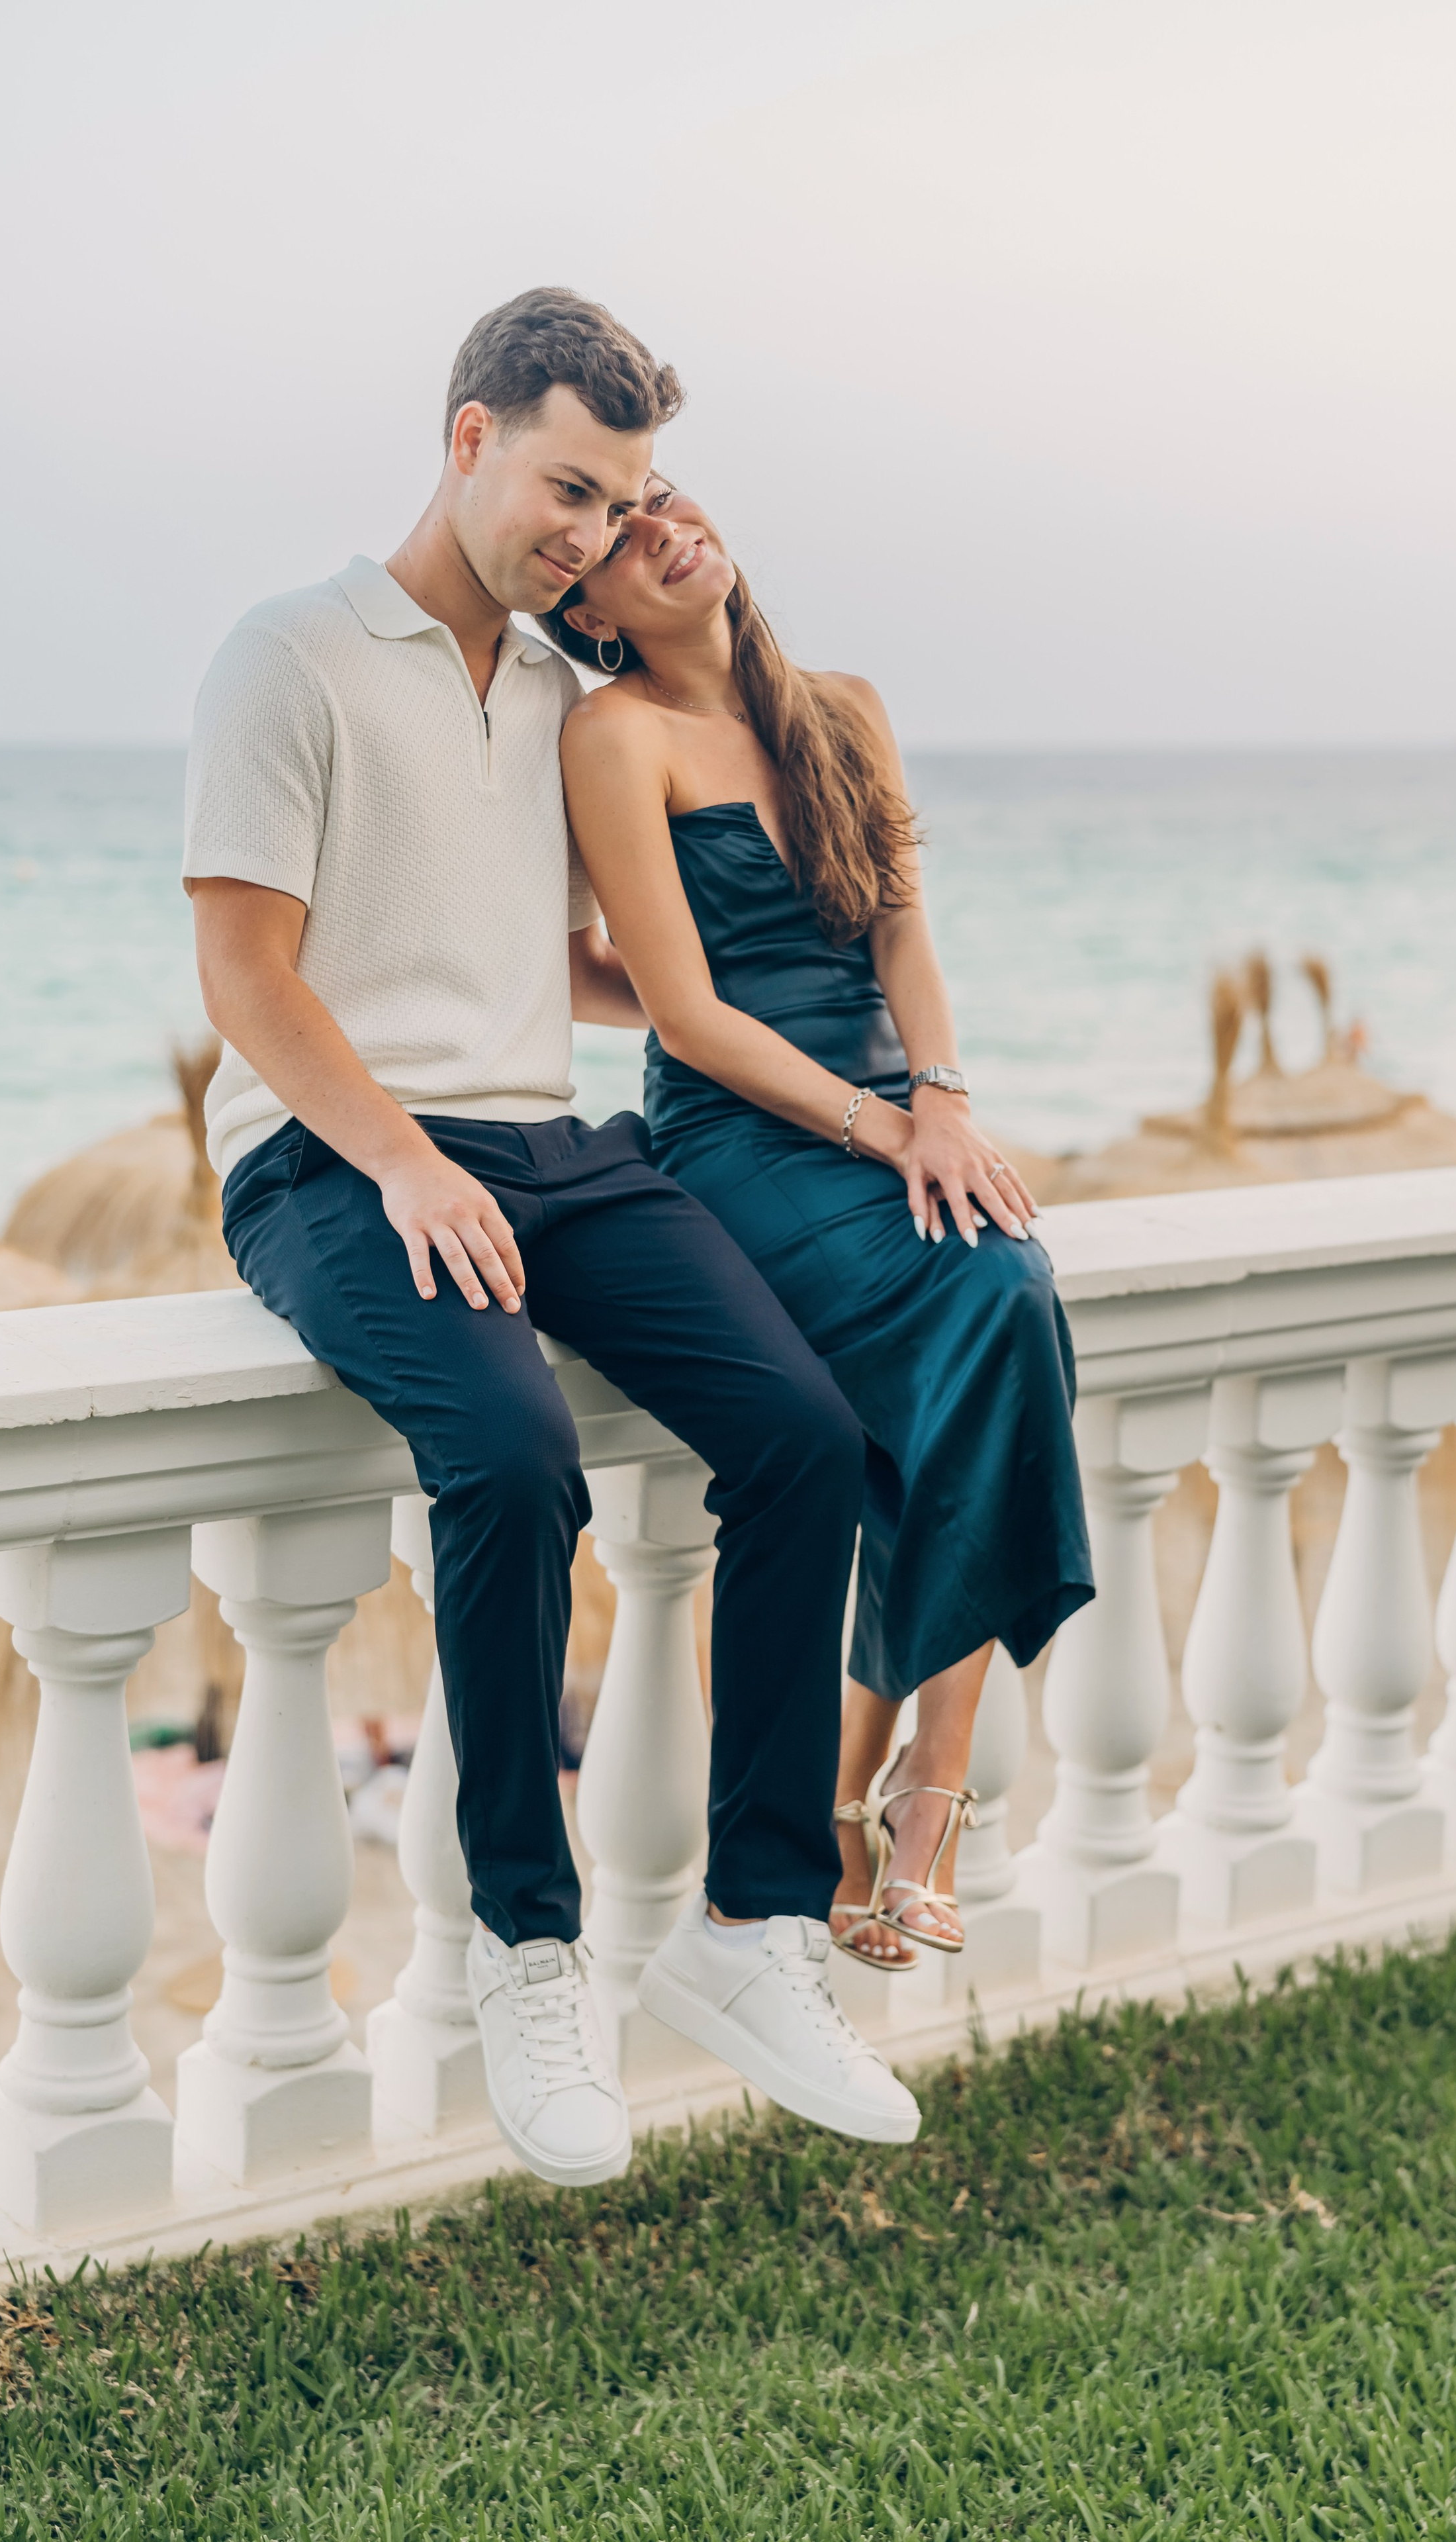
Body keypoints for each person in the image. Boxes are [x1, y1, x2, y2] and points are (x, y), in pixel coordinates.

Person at [182, 289, 921, 2185]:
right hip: (332, 1160)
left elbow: (571, 965)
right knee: (508, 1456)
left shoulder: (567, 703)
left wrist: (799, 1006)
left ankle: (753, 1935)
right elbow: (249, 977)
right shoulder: (287, 659)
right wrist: (404, 1165)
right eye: (570, 485)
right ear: (467, 436)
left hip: (548, 1147)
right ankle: (529, 1944)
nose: (589, 533)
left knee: (805, 1436)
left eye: (622, 501)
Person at [554, 480, 1094, 1972]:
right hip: (741, 1139)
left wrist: (943, 1097)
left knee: (1001, 1303)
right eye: (620, 537)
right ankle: (915, 1809)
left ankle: (887, 1803)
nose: (663, 526)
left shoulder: (843, 708)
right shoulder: (615, 736)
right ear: (591, 611)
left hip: (884, 1104)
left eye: (661, 497)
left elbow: (904, 927)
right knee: (990, 1304)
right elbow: (679, 1011)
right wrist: (883, 1128)